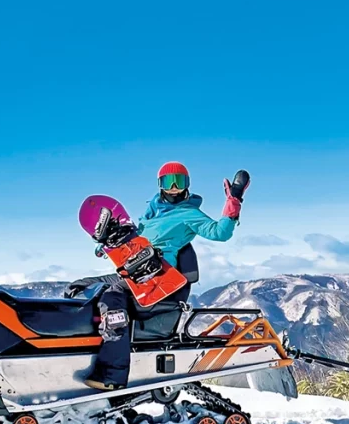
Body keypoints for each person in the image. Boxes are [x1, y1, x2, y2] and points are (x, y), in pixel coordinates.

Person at [66, 161, 249, 390]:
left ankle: (112, 374)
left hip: (158, 276)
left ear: (187, 184)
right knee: (80, 287)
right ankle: (77, 346)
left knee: (112, 296)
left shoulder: (189, 213)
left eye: (179, 182)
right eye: (168, 182)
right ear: (160, 185)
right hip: (133, 271)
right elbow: (133, 240)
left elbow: (220, 233)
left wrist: (234, 200)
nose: (173, 188)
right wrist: (108, 242)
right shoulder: (150, 214)